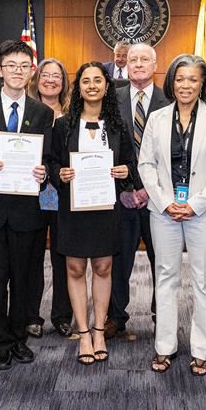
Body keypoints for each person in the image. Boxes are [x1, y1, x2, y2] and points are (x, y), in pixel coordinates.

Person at [139, 55, 206, 376]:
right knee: (166, 278)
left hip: (203, 211)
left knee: (204, 281)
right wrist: (166, 202)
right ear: (171, 82)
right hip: (164, 210)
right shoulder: (157, 118)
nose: (186, 85)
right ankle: (164, 347)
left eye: (193, 79)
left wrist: (196, 203)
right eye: (180, 79)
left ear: (203, 84)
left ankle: (202, 350)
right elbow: (145, 165)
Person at [0, 40, 53, 370]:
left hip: (26, 211)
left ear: (32, 71)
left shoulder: (42, 112)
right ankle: (0, 341)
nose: (17, 71)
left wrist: (44, 170)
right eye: (11, 66)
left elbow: (48, 157)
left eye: (24, 66)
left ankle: (18, 338)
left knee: (23, 279)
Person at [50, 62, 133, 365]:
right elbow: (50, 163)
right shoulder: (63, 125)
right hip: (73, 209)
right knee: (74, 269)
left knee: (102, 267)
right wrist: (60, 172)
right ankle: (82, 333)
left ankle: (99, 330)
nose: (92, 86)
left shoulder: (118, 125)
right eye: (86, 81)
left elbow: (130, 164)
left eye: (98, 80)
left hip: (104, 208)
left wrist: (124, 170)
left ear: (107, 86)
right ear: (78, 87)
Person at [108, 42, 169, 338]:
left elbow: (174, 151)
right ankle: (116, 317)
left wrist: (147, 189)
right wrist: (125, 188)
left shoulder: (169, 101)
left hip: (158, 197)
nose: (139, 64)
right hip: (122, 196)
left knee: (163, 260)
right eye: (133, 59)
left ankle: (163, 316)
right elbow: (105, 147)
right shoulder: (111, 99)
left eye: (145, 59)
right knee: (119, 259)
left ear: (155, 65)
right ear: (125, 65)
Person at [27, 58, 72, 337]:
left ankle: (62, 315)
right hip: (31, 192)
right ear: (37, 78)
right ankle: (31, 315)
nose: (51, 80)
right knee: (31, 256)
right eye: (45, 74)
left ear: (64, 83)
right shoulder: (28, 112)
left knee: (63, 255)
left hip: (64, 194)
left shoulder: (73, 113)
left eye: (57, 75)